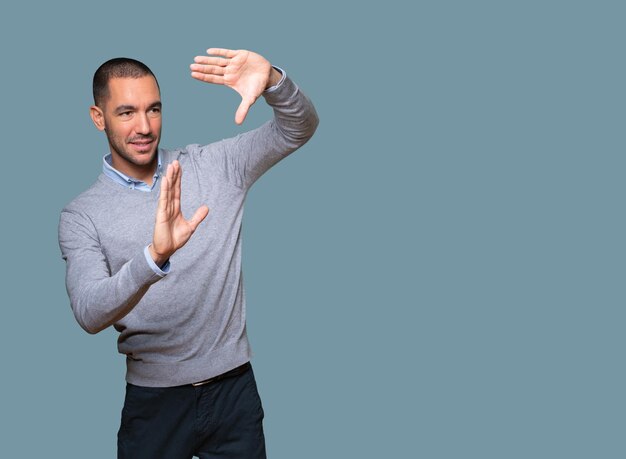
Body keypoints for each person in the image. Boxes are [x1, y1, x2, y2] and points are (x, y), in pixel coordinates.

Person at [58, 47, 319, 459]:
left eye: (153, 110)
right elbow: (89, 313)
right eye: (126, 112)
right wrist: (153, 257)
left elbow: (298, 128)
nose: (144, 126)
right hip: (155, 403)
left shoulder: (215, 166)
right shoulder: (81, 216)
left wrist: (272, 80)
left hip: (235, 392)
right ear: (98, 117)